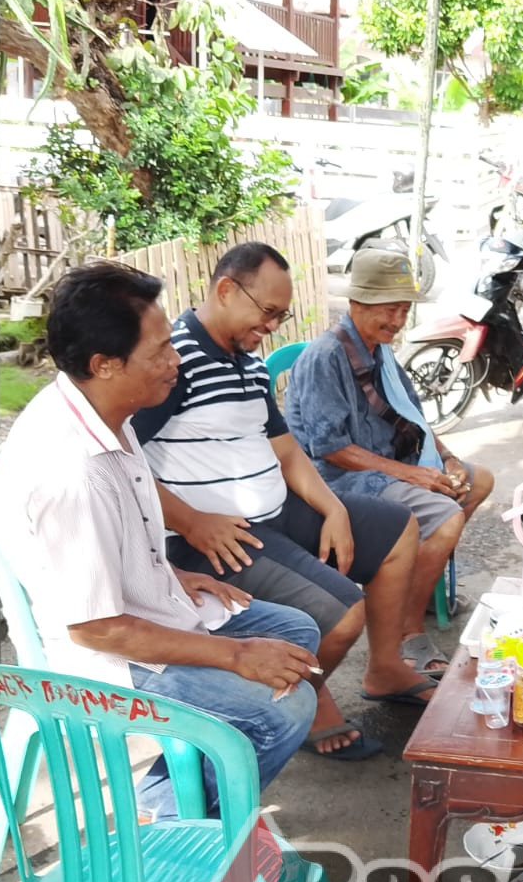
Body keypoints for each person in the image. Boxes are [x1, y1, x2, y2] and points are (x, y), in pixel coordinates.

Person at [0, 262, 336, 822]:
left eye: (171, 345)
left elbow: (114, 542)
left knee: (295, 631)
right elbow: (96, 628)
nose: (175, 362)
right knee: (284, 708)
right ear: (104, 364)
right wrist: (236, 656)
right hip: (104, 655)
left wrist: (170, 574)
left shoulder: (106, 409)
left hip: (138, 609)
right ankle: (174, 824)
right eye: (159, 354)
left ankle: (170, 793)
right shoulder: (71, 471)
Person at [131, 243, 438, 754]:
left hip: (274, 515)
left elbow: (288, 451)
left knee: (398, 528)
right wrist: (188, 521)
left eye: (281, 314)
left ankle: (384, 668)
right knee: (343, 614)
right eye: (267, 312)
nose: (273, 326)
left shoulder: (246, 361)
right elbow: (124, 462)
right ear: (226, 290)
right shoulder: (173, 360)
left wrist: (334, 507)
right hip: (215, 538)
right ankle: (296, 707)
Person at [286, 249, 496, 641]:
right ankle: (406, 631)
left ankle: (406, 589)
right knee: (445, 517)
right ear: (356, 304)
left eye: (403, 311)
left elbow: (414, 418)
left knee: (477, 479)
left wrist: (446, 459)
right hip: (338, 481)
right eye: (389, 310)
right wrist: (411, 474)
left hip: (386, 465)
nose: (397, 322)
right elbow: (331, 448)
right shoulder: (327, 356)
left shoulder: (380, 351)